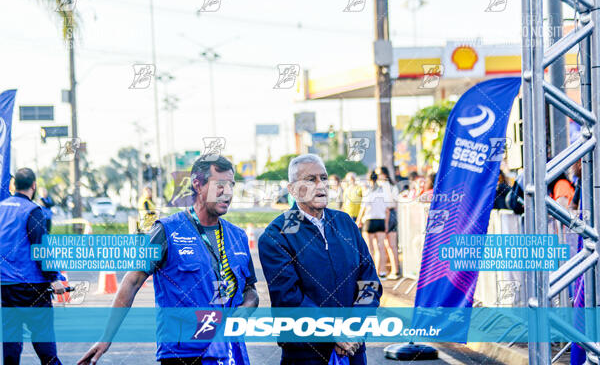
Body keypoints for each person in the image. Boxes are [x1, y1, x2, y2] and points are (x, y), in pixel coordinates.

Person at [78, 156, 259, 365]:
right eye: (219, 185)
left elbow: (250, 292)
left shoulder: (238, 236)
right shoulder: (167, 230)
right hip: (183, 354)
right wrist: (106, 338)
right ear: (198, 185)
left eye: (231, 185)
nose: (227, 192)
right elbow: (132, 281)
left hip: (228, 352)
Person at [259, 154, 381, 365]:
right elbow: (289, 299)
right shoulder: (275, 235)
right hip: (306, 355)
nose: (320, 185)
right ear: (292, 189)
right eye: (310, 179)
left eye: (323, 178)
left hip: (352, 351)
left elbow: (369, 282)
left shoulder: (345, 223)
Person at [0, 168, 68, 365]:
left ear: (14, 186)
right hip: (32, 287)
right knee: (43, 339)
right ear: (33, 186)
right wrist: (54, 278)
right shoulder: (33, 210)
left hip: (6, 287)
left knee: (11, 342)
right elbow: (40, 248)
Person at [375, 166, 401, 280]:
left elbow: (389, 203)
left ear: (383, 174)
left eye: (378, 174)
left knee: (387, 245)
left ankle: (390, 270)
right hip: (391, 214)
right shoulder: (392, 185)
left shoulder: (382, 186)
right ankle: (394, 270)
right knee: (390, 245)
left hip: (386, 214)